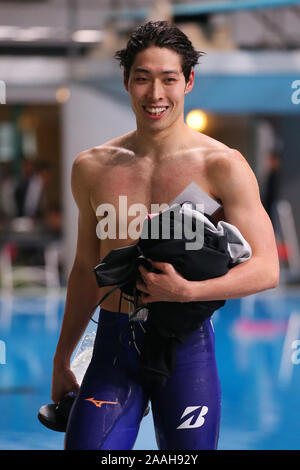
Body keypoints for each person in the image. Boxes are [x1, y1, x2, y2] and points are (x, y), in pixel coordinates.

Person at [51, 21, 279, 450]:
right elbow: (85, 270)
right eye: (143, 78)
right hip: (114, 346)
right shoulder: (92, 168)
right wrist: (62, 358)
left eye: (168, 79)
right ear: (126, 82)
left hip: (185, 346)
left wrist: (187, 292)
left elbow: (267, 269)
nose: (155, 94)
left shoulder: (222, 165)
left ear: (188, 82)